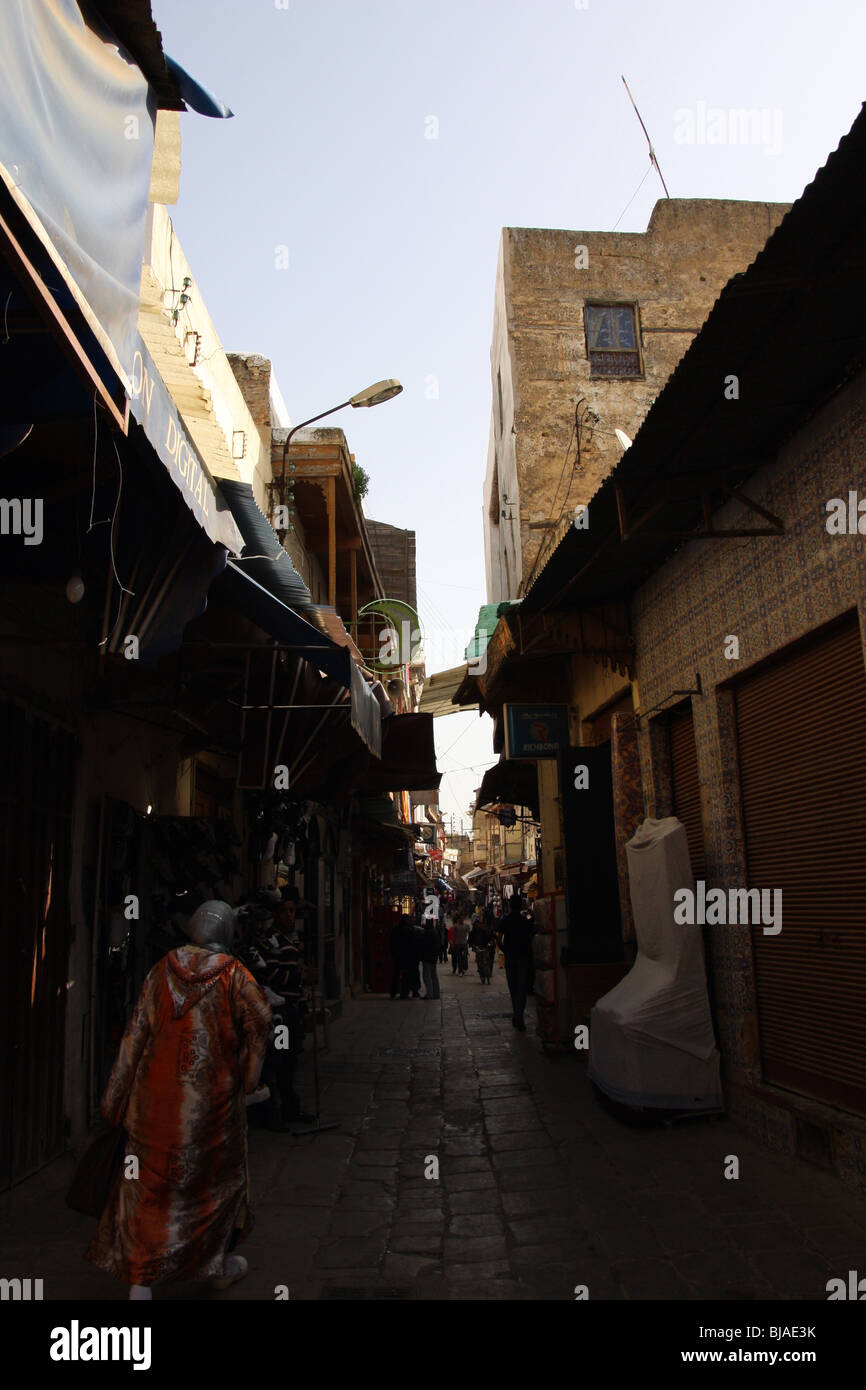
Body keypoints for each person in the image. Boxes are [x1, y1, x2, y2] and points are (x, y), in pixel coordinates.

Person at [86, 901, 272, 1298]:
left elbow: (135, 1036)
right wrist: (249, 1079)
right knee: (215, 1188)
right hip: (213, 1109)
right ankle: (218, 1262)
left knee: (149, 1190)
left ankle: (141, 1282)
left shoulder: (160, 971)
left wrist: (114, 1101)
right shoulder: (235, 977)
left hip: (154, 1103)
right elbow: (261, 1020)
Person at [499, 896, 535, 1030]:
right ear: (521, 906)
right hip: (523, 958)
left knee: (513, 987)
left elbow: (498, 938)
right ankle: (519, 1015)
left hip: (510, 958)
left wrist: (505, 950)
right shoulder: (525, 922)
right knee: (522, 987)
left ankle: (517, 1014)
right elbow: (531, 937)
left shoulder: (506, 921)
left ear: (509, 905)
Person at [468, 916, 494, 983]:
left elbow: (490, 939)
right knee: (480, 964)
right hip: (477, 949)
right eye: (476, 925)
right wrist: (474, 946)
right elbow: (470, 941)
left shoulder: (484, 932)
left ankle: (488, 976)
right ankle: (481, 975)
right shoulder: (472, 933)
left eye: (478, 925)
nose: (478, 926)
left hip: (485, 948)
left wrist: (489, 944)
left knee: (487, 962)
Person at [419, 919, 441, 999]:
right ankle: (436, 993)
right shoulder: (435, 932)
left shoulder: (427, 932)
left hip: (427, 957)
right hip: (433, 957)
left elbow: (424, 944)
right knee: (434, 975)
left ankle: (429, 994)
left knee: (427, 976)